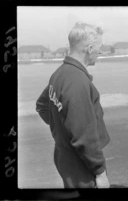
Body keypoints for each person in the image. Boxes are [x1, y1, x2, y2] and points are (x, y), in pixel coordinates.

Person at [36, 22, 110, 188]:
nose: (101, 52)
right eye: (99, 47)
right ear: (90, 48)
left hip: (66, 156)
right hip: (81, 163)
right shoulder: (77, 81)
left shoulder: (60, 73)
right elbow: (84, 135)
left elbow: (42, 105)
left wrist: (62, 129)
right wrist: (100, 172)